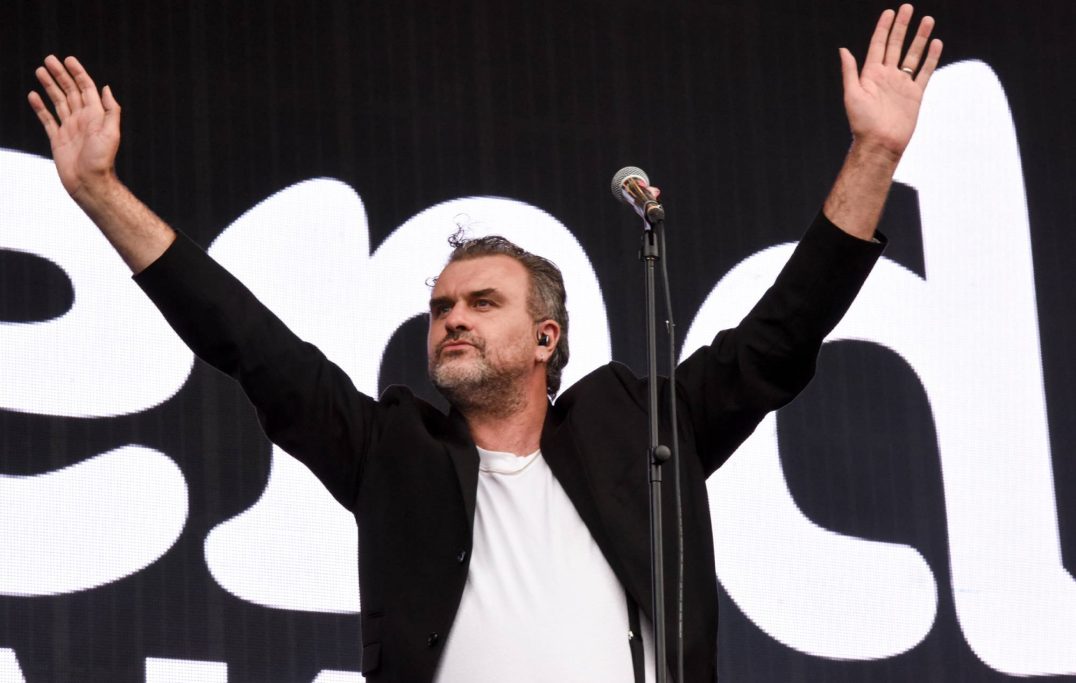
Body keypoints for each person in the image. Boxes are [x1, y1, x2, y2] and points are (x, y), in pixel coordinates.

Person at [27, 5, 941, 682]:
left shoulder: (643, 431)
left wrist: (874, 153)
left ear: (546, 336)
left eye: (481, 301)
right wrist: (102, 192)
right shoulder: (393, 452)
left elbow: (781, 335)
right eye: (440, 307)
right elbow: (246, 340)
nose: (452, 317)